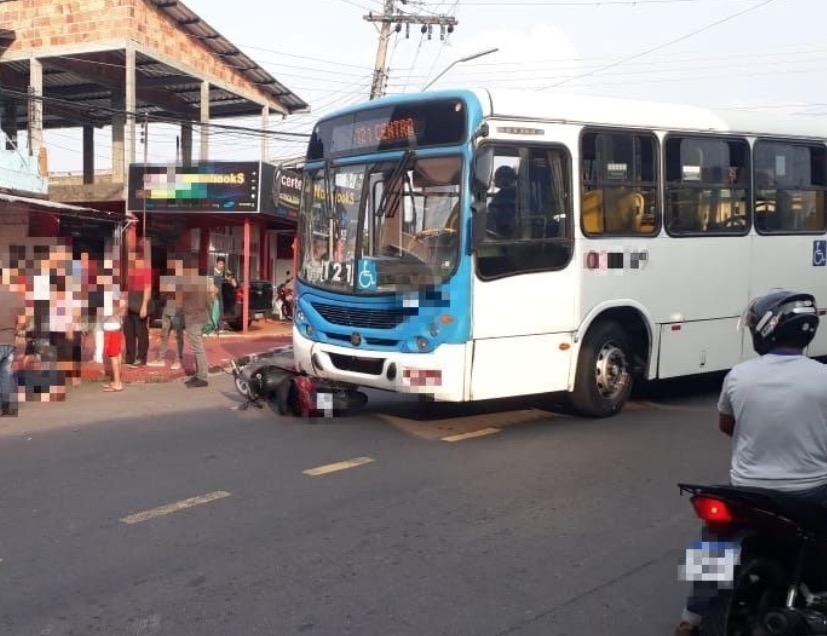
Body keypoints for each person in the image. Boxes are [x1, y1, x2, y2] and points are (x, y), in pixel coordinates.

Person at [674, 289, 827, 636]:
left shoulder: (739, 376)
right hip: (810, 492)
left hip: (748, 491)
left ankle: (691, 618)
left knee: (713, 539)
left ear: (768, 329)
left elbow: (728, 425)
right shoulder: (823, 377)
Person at [182, 262, 217, 389]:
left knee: (198, 348)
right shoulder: (204, 286)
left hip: (193, 319)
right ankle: (199, 374)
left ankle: (202, 377)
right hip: (201, 318)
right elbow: (210, 303)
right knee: (197, 348)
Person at [149, 257, 185, 370]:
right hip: (168, 306)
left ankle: (178, 359)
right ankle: (161, 358)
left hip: (178, 308)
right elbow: (162, 295)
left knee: (178, 335)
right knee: (164, 333)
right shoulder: (168, 278)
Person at [0, 267, 27, 416]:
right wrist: (15, 329)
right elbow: (23, 319)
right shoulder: (13, 296)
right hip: (9, 339)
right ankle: (9, 408)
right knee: (7, 373)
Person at [124, 247, 152, 367]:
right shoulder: (130, 270)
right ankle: (129, 357)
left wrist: (144, 305)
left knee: (141, 332)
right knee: (128, 331)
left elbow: (147, 288)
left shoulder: (145, 270)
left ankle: (141, 357)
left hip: (140, 301)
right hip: (129, 302)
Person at [488, 165, 518, 237]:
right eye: (500, 178)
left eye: (506, 178)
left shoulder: (511, 195)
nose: (503, 181)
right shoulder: (499, 195)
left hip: (509, 232)